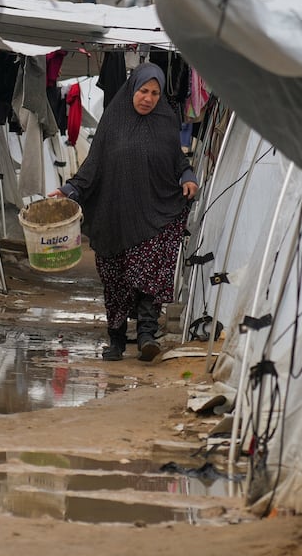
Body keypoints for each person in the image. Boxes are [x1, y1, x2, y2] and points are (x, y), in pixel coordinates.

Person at [56, 62, 197, 362]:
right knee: (116, 279)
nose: (148, 98)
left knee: (149, 275)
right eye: (144, 91)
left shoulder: (166, 121)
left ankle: (147, 334)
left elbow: (177, 161)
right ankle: (116, 340)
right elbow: (92, 166)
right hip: (116, 214)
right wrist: (69, 190)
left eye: (155, 93)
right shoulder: (113, 121)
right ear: (133, 88)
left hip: (155, 211)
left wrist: (188, 176)